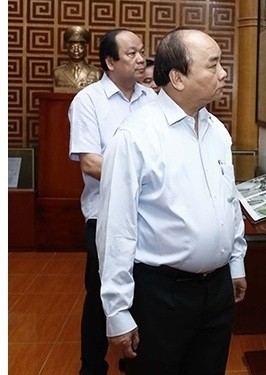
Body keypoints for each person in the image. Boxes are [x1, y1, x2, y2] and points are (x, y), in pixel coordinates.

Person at [96, 28, 247, 374]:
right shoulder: (135, 137)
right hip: (161, 295)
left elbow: (228, 201)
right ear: (177, 78)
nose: (223, 73)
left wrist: (235, 262)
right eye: (213, 65)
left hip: (217, 291)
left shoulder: (217, 131)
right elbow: (116, 230)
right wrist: (117, 312)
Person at [68, 28, 155, 375]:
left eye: (142, 52)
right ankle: (92, 365)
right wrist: (142, 178)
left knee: (142, 291)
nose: (140, 59)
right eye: (132, 53)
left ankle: (133, 361)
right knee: (102, 293)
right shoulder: (88, 101)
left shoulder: (152, 100)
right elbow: (90, 163)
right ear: (109, 61)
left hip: (146, 214)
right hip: (102, 214)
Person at [53, 26, 102, 90]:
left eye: (80, 47)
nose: (76, 50)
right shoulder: (58, 72)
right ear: (67, 49)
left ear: (85, 49)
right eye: (72, 47)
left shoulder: (96, 72)